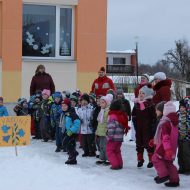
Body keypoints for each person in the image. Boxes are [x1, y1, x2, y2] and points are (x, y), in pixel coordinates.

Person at [152, 101, 180, 187]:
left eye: (157, 110)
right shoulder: (173, 122)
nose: (155, 112)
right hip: (172, 147)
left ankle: (163, 175)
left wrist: (167, 149)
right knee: (168, 163)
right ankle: (174, 180)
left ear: (164, 112)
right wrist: (154, 140)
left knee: (155, 159)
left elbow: (165, 137)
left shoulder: (165, 123)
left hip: (165, 147)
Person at [132, 85, 157, 168]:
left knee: (148, 144)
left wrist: (152, 127)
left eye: (143, 93)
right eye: (140, 93)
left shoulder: (150, 104)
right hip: (139, 128)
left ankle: (151, 160)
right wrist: (135, 123)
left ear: (147, 94)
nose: (141, 94)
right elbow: (134, 115)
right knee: (139, 143)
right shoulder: (136, 104)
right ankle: (140, 159)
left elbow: (154, 117)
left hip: (148, 129)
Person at [106, 99, 129, 170]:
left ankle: (115, 164)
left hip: (113, 138)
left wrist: (109, 137)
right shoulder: (121, 115)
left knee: (110, 151)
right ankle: (119, 164)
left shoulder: (112, 116)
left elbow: (111, 127)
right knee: (117, 151)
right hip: (119, 138)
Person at [61, 98, 81, 165]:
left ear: (68, 106)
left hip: (72, 133)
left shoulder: (72, 113)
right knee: (68, 145)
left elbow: (77, 122)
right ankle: (72, 158)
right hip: (68, 131)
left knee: (69, 144)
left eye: (65, 106)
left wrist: (71, 130)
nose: (63, 107)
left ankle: (73, 155)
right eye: (62, 106)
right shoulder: (66, 113)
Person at [96, 94, 113, 165]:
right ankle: (102, 158)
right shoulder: (101, 110)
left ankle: (108, 159)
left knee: (106, 146)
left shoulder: (108, 111)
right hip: (100, 131)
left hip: (106, 131)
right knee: (101, 145)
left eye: (103, 102)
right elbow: (99, 121)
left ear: (107, 103)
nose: (101, 104)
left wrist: (108, 130)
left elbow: (109, 121)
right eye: (100, 102)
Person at [177, 97, 190, 174]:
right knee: (180, 153)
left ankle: (188, 168)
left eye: (183, 107)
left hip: (187, 137)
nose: (181, 109)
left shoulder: (188, 115)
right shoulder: (178, 114)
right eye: (180, 107)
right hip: (179, 137)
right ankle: (181, 167)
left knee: (186, 153)